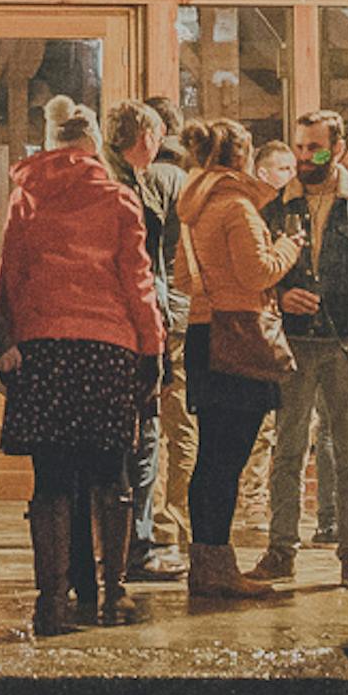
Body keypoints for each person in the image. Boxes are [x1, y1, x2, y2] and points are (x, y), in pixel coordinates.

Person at [0, 98, 165, 633]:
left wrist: (8, 337)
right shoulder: (118, 199)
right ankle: (112, 596)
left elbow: (9, 275)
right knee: (109, 473)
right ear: (92, 144)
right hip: (107, 345)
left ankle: (52, 601)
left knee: (50, 478)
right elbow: (137, 281)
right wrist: (152, 346)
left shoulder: (25, 199)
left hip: (44, 347)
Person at [175, 120, 304, 600]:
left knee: (210, 458)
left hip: (204, 333)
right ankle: (217, 568)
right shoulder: (237, 207)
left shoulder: (194, 207)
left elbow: (183, 276)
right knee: (227, 459)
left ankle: (205, 562)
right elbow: (258, 273)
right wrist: (288, 248)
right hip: (239, 334)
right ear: (242, 157)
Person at [257, 116, 348, 589]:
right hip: (294, 341)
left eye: (317, 151)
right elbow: (261, 268)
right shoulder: (277, 206)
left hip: (345, 339)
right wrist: (282, 294)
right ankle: (281, 548)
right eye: (301, 149)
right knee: (287, 449)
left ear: (339, 148)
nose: (306, 160)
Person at [109, 99, 193, 581]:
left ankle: (126, 542)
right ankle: (137, 544)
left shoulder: (130, 179)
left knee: (140, 438)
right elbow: (145, 268)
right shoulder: (127, 189)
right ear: (146, 137)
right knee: (146, 436)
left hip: (141, 318)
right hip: (144, 322)